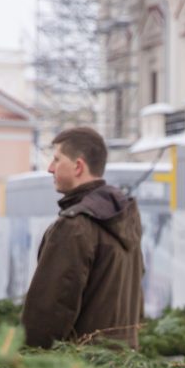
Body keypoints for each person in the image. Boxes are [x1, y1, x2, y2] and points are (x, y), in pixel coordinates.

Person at [22, 126, 144, 348]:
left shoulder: (75, 226)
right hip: (122, 365)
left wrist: (28, 362)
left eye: (57, 160)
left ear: (78, 166)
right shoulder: (125, 219)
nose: (50, 168)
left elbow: (48, 312)